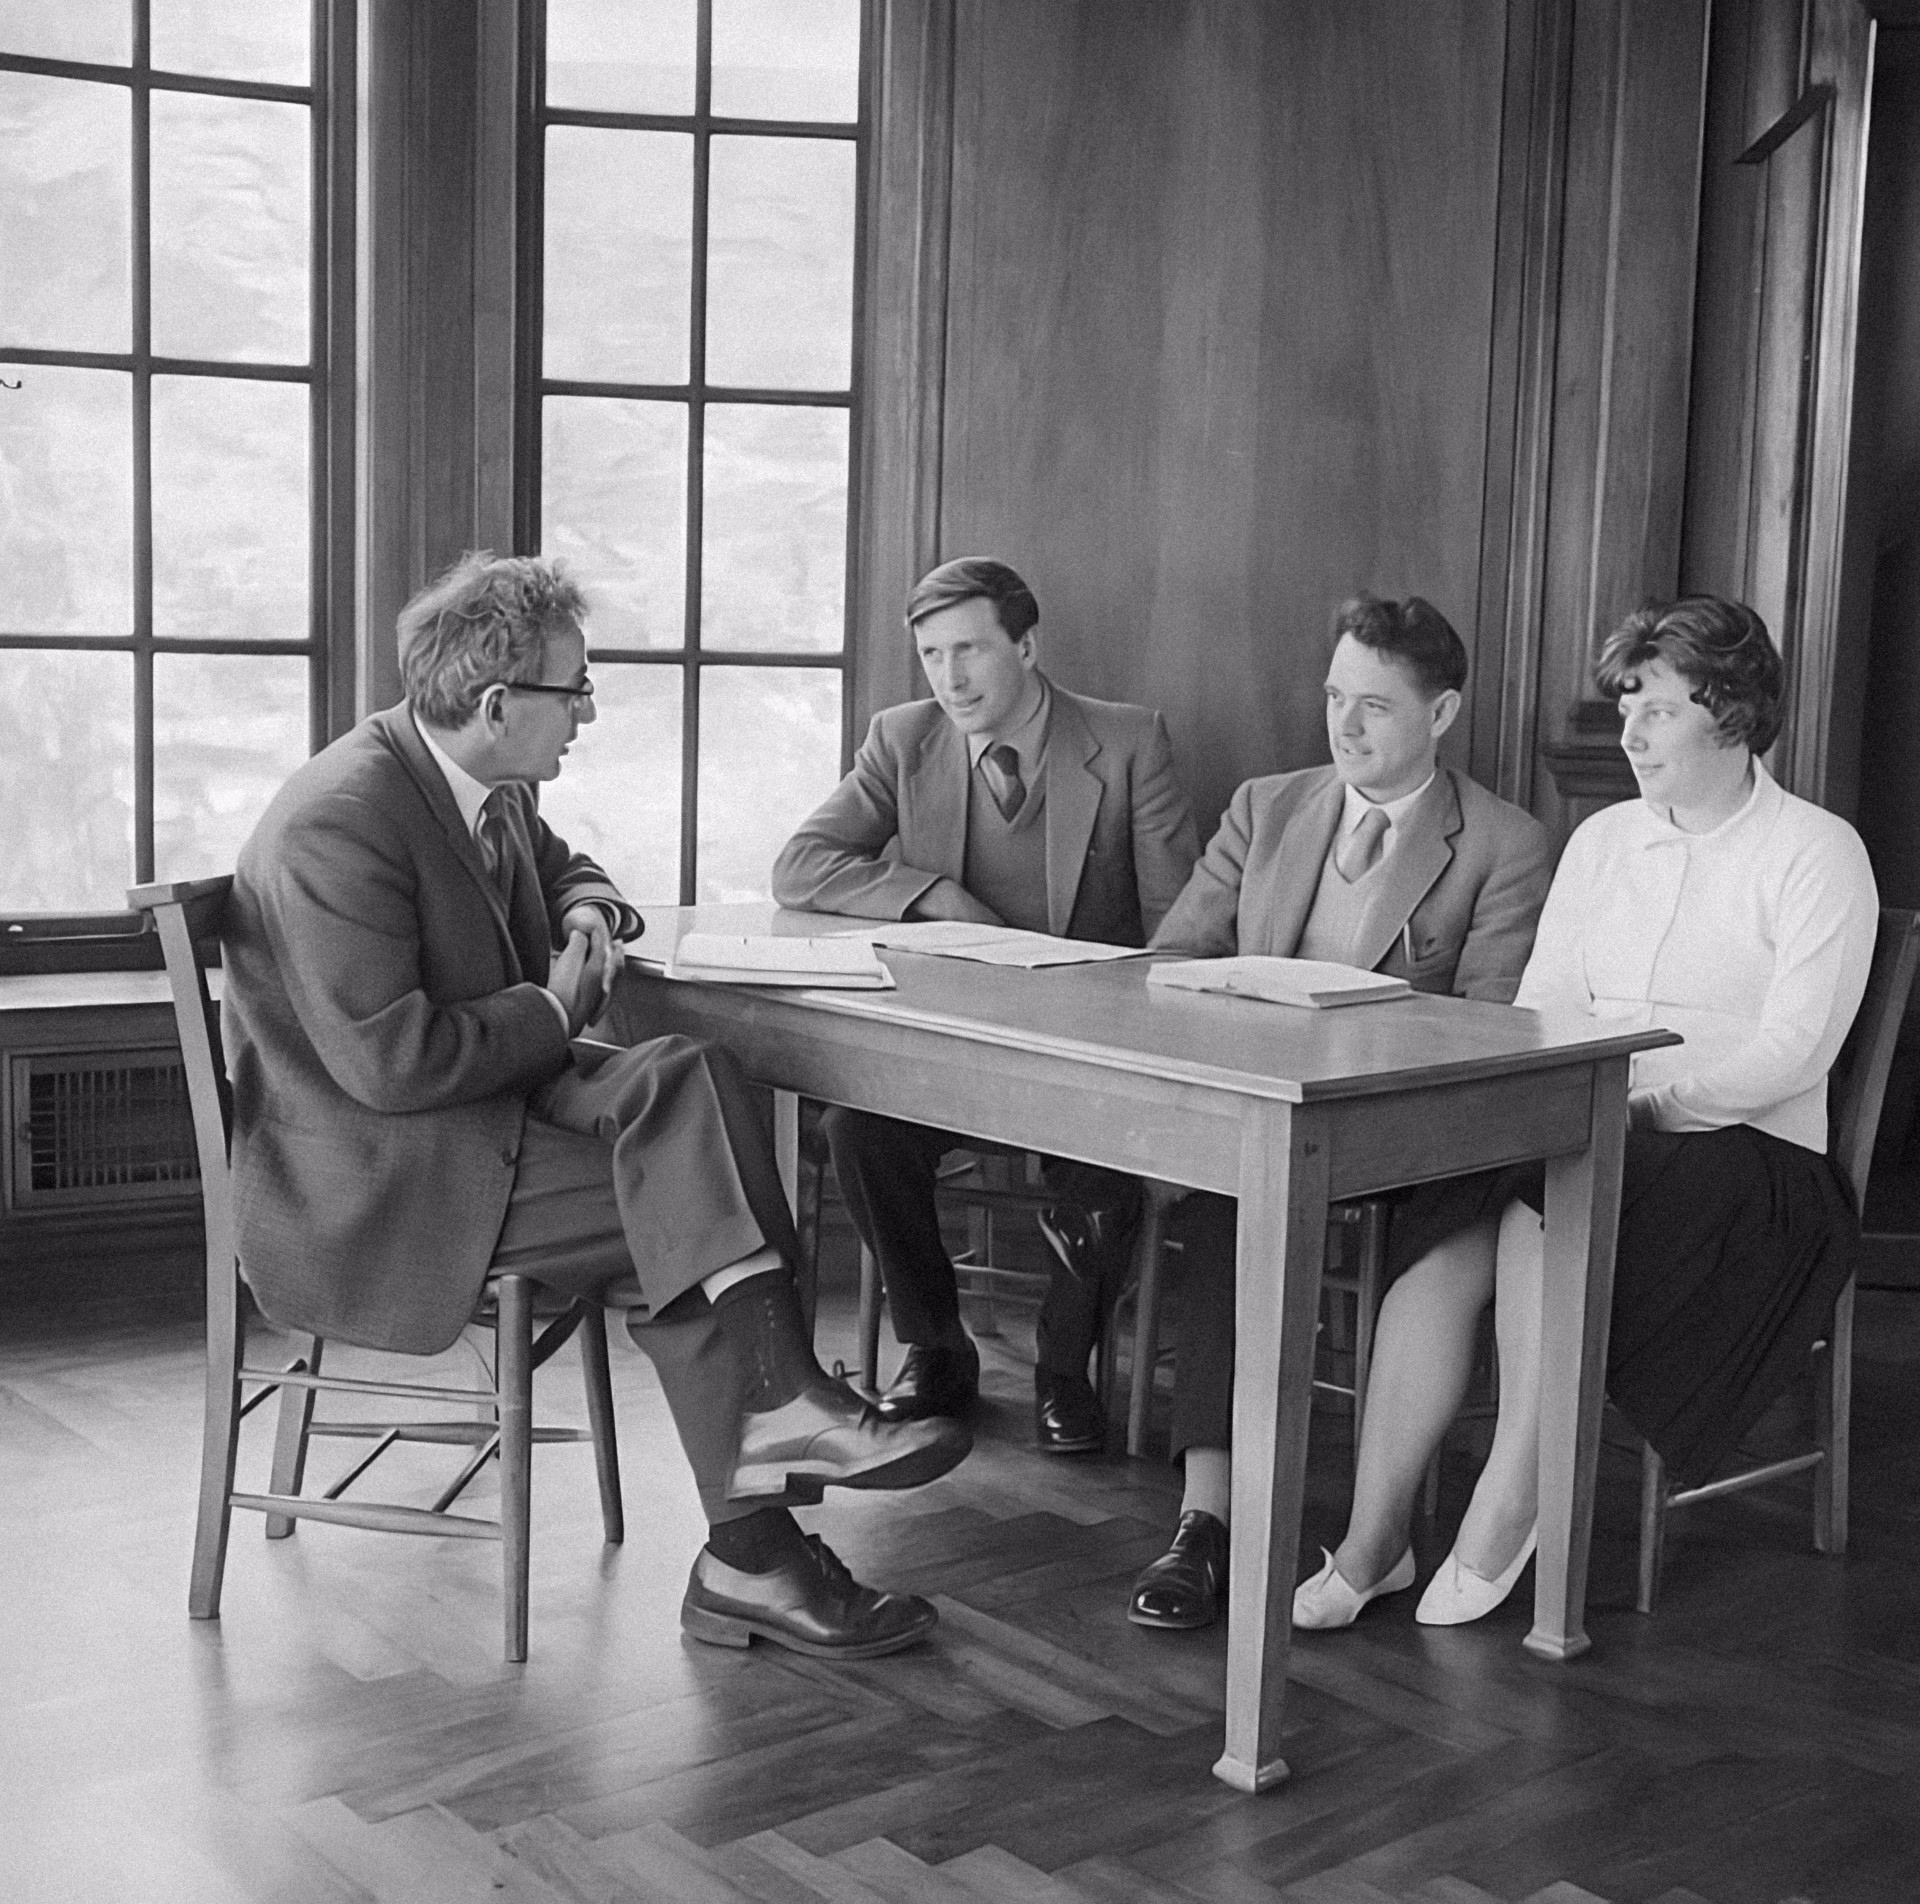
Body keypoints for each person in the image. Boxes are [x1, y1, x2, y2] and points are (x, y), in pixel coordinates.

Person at [223, 552, 969, 1663]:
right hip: (382, 1179)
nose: (589, 707)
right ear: (494, 704)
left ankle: (771, 1466)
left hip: (478, 1122)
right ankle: (757, 1531)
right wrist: (550, 1000)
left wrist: (587, 911)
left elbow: (567, 863)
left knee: (690, 1076)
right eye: (574, 689)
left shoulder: (475, 778)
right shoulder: (343, 818)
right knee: (687, 1212)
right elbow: (392, 1063)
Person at [1294, 595, 1877, 1633]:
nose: (1631, 734)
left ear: (1732, 713)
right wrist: (1581, 1105)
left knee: (1546, 1187)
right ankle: (1374, 1538)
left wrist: (1638, 1105)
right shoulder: (1603, 840)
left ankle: (1514, 1492)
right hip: (1589, 1126)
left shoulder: (1817, 852)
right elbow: (1540, 1008)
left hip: (1751, 1165)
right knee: (1448, 1224)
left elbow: (1797, 1052)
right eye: (1627, 710)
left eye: (1657, 711)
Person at [1127, 594, 1554, 1629]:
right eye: (1333, 697)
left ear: (1443, 711)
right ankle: (1206, 1520)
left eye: (1375, 706)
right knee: (1232, 1192)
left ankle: (1381, 1524)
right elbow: (1175, 959)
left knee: (1291, 1190)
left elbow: (1485, 1033)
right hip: (1264, 1110)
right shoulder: (1267, 806)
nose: (1345, 727)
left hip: (1406, 1138)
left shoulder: (1505, 843)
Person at [772, 556, 1199, 1451]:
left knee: (1107, 1164)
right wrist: (931, 894)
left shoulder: (1128, 745)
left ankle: (1063, 1371)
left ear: (1028, 647)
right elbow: (800, 864)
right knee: (860, 1130)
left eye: (969, 650)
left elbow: (1182, 934)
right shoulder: (904, 738)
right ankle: (936, 1350)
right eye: (931, 654)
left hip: (1089, 1053)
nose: (950, 677)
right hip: (951, 1056)